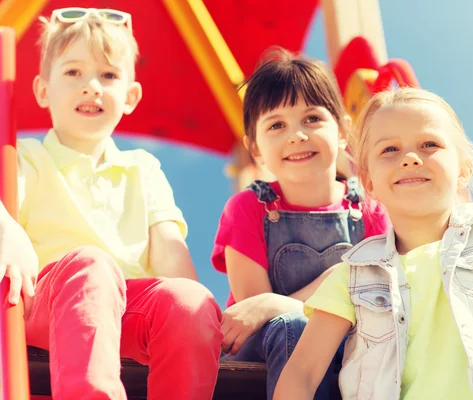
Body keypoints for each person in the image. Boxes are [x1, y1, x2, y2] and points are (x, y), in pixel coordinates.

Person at [274, 87, 473, 400]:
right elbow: (303, 372)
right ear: (368, 181)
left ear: (463, 168)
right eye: (389, 150)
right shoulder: (352, 274)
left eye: (429, 144)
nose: (409, 158)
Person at [15, 8, 222, 399]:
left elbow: (173, 266)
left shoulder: (142, 169)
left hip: (126, 309)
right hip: (46, 302)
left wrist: (198, 313)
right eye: (73, 72)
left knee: (189, 300)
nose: (92, 86)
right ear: (43, 90)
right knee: (91, 264)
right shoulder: (23, 156)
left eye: (108, 75)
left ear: (130, 96)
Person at [211, 48, 390, 399]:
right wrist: (324, 291)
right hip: (263, 348)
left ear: (342, 131)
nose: (297, 135)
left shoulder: (371, 210)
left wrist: (279, 302)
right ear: (256, 149)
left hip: (346, 340)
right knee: (296, 327)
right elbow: (254, 312)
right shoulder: (249, 208)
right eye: (277, 125)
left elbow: (377, 295)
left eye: (312, 119)